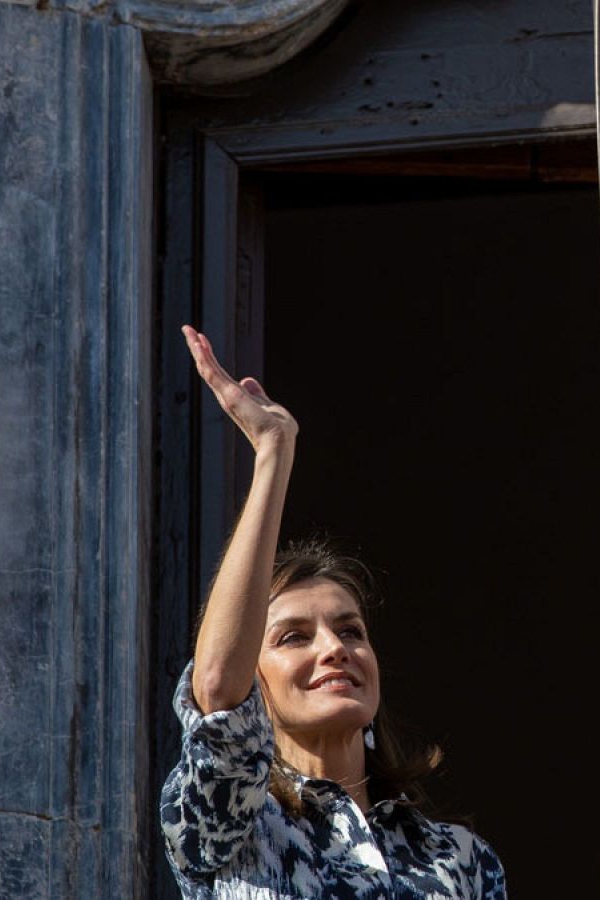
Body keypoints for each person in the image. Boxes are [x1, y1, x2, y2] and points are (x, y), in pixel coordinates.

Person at [160, 326, 506, 899]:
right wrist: (274, 453)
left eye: (351, 630)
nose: (334, 647)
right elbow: (218, 686)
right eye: (293, 637)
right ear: (258, 681)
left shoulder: (458, 859)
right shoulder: (232, 829)